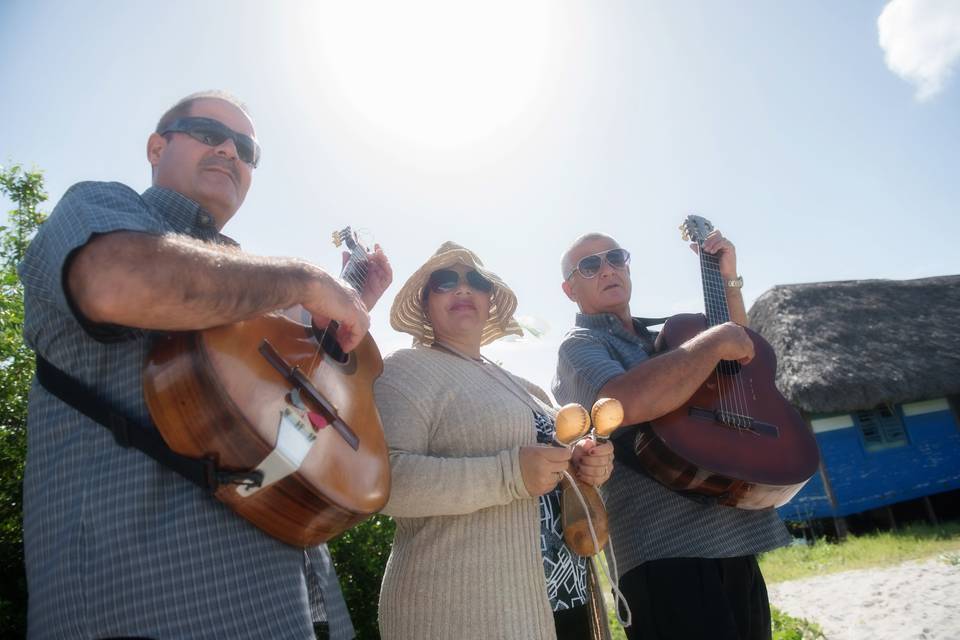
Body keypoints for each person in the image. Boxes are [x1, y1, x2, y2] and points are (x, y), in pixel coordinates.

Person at [18, 90, 392, 639]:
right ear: (155, 147)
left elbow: (296, 425)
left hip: (294, 610)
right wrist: (310, 282)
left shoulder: (250, 290)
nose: (229, 151)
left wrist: (353, 304)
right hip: (152, 609)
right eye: (207, 133)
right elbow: (120, 282)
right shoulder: (99, 206)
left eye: (246, 148)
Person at [552, 232, 792, 640]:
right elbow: (625, 400)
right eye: (590, 266)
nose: (607, 268)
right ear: (569, 289)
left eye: (615, 257)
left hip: (731, 532)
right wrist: (714, 341)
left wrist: (727, 280)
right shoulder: (579, 346)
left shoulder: (667, 337)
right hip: (661, 549)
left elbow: (741, 363)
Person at [372, 242, 615, 640]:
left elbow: (555, 475)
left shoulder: (527, 387)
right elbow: (384, 483)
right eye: (445, 281)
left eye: (477, 281)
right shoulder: (405, 370)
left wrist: (588, 464)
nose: (463, 289)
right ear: (425, 302)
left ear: (489, 300)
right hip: (464, 615)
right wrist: (508, 474)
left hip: (567, 597)